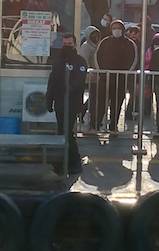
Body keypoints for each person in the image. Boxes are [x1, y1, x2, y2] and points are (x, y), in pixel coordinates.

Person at [46, 32, 87, 174]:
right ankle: (61, 162)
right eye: (64, 44)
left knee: (67, 132)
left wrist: (68, 89)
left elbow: (80, 80)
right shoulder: (58, 60)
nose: (67, 46)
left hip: (72, 102)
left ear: (75, 45)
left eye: (69, 44)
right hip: (59, 101)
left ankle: (74, 161)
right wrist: (49, 98)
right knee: (61, 131)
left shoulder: (80, 61)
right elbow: (52, 80)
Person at [95, 19, 137, 135]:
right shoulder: (105, 42)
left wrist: (125, 73)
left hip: (121, 80)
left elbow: (134, 59)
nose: (116, 30)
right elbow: (97, 56)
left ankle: (113, 127)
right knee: (101, 103)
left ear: (123, 30)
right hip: (105, 79)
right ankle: (96, 125)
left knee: (117, 104)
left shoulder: (129, 44)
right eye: (114, 28)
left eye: (118, 28)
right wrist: (101, 72)